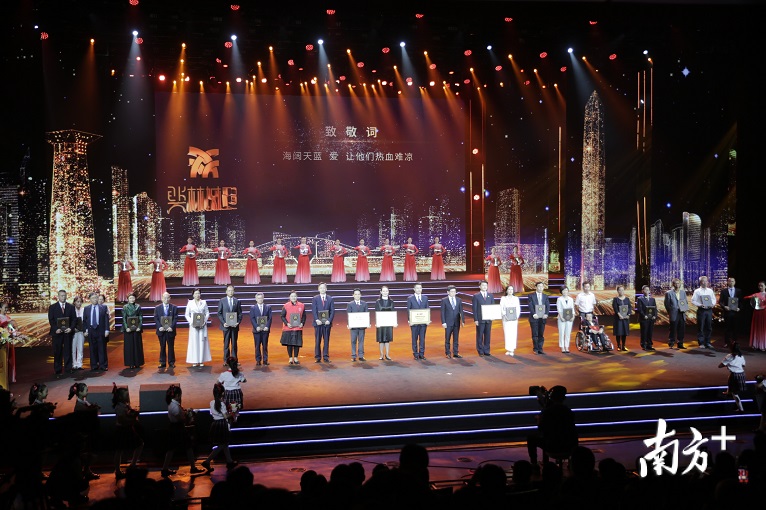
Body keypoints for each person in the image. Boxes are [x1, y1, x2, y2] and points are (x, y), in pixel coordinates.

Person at [527, 385, 578, 467]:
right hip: (569, 448)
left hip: (552, 447)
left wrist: (538, 419)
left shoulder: (547, 412)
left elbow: (541, 429)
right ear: (564, 398)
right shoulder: (568, 411)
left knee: (531, 438)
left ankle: (534, 465)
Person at [160, 385, 204, 478]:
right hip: (177, 428)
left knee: (174, 448)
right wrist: (190, 415)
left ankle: (165, 469)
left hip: (175, 427)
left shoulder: (173, 404)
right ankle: (192, 467)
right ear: (177, 395)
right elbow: (182, 419)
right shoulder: (175, 406)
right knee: (186, 447)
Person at [201, 382, 239, 473]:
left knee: (225, 444)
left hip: (216, 423)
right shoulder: (221, 404)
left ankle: (229, 461)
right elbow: (226, 416)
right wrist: (233, 412)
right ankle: (207, 461)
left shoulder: (211, 403)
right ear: (222, 393)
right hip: (222, 424)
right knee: (223, 444)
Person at [68, 382, 101, 481]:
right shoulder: (80, 406)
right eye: (86, 390)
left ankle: (86, 471)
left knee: (89, 453)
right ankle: (82, 474)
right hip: (82, 435)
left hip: (86, 433)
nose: (87, 392)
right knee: (86, 455)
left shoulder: (84, 402)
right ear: (80, 392)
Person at [111, 384, 143, 480]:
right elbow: (122, 420)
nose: (128, 396)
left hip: (126, 429)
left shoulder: (124, 405)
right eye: (126, 394)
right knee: (119, 450)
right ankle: (120, 470)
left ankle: (130, 465)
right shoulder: (119, 407)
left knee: (137, 445)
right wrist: (133, 419)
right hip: (122, 430)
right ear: (121, 397)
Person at [48, 289, 76, 377]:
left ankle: (68, 368)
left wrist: (71, 328)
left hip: (67, 333)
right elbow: (51, 320)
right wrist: (56, 329)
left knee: (68, 351)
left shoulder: (71, 307)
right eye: (62, 296)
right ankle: (58, 369)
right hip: (57, 333)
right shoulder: (52, 307)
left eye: (64, 295)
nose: (63, 297)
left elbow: (74, 319)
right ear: (58, 296)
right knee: (57, 351)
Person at [83, 292, 109, 372]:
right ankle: (94, 365)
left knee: (102, 348)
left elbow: (106, 319)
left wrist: (107, 330)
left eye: (96, 298)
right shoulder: (86, 308)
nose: (95, 299)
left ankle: (103, 365)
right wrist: (85, 330)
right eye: (93, 298)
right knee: (92, 348)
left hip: (100, 330)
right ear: (90, 299)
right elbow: (85, 321)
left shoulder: (103, 307)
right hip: (91, 330)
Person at [185, 288, 211, 367]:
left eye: (198, 293)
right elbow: (187, 315)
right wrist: (191, 322)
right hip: (194, 326)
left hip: (202, 325)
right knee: (194, 342)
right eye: (196, 293)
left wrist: (204, 321)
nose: (197, 295)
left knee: (202, 342)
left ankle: (201, 360)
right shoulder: (190, 303)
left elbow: (207, 313)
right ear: (193, 295)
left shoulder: (204, 302)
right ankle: (194, 360)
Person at [217, 285, 242, 363]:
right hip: (226, 326)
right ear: (226, 292)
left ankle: (234, 360)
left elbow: (240, 314)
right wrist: (223, 323)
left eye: (232, 290)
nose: (230, 292)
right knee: (226, 344)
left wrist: (238, 322)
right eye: (229, 290)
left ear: (234, 291)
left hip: (234, 326)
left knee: (234, 344)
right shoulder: (222, 301)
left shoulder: (237, 301)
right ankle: (226, 360)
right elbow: (219, 313)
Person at [719, 342, 746, 412]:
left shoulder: (729, 356)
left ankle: (741, 408)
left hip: (735, 375)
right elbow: (743, 365)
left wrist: (728, 365)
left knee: (735, 393)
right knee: (730, 380)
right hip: (742, 374)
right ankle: (728, 392)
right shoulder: (741, 356)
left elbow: (720, 365)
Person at [280, 291, 306, 365]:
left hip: (298, 328)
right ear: (289, 297)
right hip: (288, 328)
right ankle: (290, 358)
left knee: (297, 343)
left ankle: (296, 358)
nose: (293, 298)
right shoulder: (286, 306)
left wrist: (302, 323)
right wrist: (287, 323)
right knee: (289, 343)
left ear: (297, 297)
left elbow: (304, 316)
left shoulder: (301, 305)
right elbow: (282, 316)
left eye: (295, 296)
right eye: (292, 296)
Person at [311, 283, 335, 363]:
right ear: (318, 289)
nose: (322, 289)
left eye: (324, 288)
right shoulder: (315, 298)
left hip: (327, 323)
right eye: (321, 288)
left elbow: (332, 311)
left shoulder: (330, 299)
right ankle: (317, 357)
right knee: (318, 340)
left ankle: (326, 356)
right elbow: (314, 310)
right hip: (318, 323)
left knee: (326, 340)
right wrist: (317, 320)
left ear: (326, 289)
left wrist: (329, 320)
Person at [691, 275, 716, 348]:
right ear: (700, 282)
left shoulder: (710, 291)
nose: (705, 282)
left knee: (709, 327)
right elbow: (693, 300)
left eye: (706, 281)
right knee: (701, 327)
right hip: (701, 310)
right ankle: (701, 343)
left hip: (709, 310)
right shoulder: (697, 291)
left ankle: (707, 342)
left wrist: (712, 304)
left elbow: (714, 299)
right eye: (703, 281)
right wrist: (700, 305)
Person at [121, 293, 145, 369]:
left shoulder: (138, 306)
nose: (132, 299)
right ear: (128, 299)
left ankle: (138, 362)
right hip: (128, 329)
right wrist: (126, 328)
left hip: (136, 328)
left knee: (137, 345)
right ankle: (130, 363)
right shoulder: (125, 307)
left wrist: (139, 327)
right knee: (129, 346)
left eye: (133, 298)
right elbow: (124, 318)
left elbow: (140, 317)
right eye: (130, 298)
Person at [154, 292, 178, 369]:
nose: (166, 299)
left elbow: (175, 318)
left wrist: (171, 327)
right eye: (165, 298)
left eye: (168, 298)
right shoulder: (157, 308)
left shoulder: (174, 307)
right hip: (161, 331)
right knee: (162, 346)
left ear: (170, 298)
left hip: (170, 330)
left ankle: (171, 362)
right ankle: (162, 362)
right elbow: (156, 318)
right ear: (162, 298)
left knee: (171, 347)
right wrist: (159, 327)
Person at [407, 283, 430, 360]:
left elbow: (427, 309)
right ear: (414, 289)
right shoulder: (410, 298)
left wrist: (427, 319)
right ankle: (415, 354)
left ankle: (422, 354)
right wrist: (409, 320)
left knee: (422, 339)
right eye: (417, 288)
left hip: (423, 322)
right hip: (414, 323)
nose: (419, 289)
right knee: (414, 338)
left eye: (420, 288)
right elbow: (408, 310)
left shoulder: (425, 298)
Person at [472, 280, 496, 356]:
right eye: (483, 285)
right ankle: (480, 350)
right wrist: (476, 319)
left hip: (488, 319)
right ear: (480, 286)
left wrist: (493, 316)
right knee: (480, 335)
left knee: (487, 335)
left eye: (486, 285)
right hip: (480, 319)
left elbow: (493, 307)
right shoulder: (476, 296)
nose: (484, 287)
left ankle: (486, 350)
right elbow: (474, 308)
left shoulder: (490, 295)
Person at [664, 278, 688, 350]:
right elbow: (667, 304)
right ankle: (671, 342)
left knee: (681, 329)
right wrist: (670, 311)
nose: (677, 285)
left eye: (678, 283)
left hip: (682, 313)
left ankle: (680, 343)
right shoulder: (668, 293)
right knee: (673, 329)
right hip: (674, 313)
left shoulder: (683, 292)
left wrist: (685, 309)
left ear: (680, 284)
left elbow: (685, 302)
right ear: (673, 284)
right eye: (676, 283)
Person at [441, 285, 465, 358]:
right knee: (447, 338)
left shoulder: (459, 300)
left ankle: (456, 352)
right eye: (451, 291)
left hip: (456, 322)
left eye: (454, 291)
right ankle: (448, 353)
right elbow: (442, 312)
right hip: (448, 322)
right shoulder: (444, 300)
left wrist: (463, 321)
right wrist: (443, 322)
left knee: (456, 338)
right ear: (448, 292)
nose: (453, 293)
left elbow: (461, 311)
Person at [250, 292, 272, 366]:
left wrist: (267, 326)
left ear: (263, 298)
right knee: (257, 346)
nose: (260, 299)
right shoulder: (253, 308)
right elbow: (252, 318)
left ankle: (265, 360)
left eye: (261, 298)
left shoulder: (268, 307)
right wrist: (256, 327)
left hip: (265, 330)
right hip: (257, 330)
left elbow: (270, 318)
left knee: (265, 345)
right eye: (258, 298)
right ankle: (258, 360)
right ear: (256, 299)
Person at [719, 277, 743, 346]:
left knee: (735, 328)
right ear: (727, 282)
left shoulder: (739, 291)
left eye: (732, 281)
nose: (731, 282)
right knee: (727, 328)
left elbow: (741, 302)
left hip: (736, 312)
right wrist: (724, 307)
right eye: (730, 281)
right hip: (727, 312)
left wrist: (739, 308)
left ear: (735, 282)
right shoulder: (724, 291)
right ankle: (727, 342)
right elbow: (720, 302)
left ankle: (735, 342)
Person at [347, 289, 369, 361]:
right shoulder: (350, 304)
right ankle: (353, 356)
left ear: (360, 295)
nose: (357, 295)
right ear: (353, 295)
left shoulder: (364, 303)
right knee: (353, 341)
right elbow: (349, 315)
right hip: (353, 326)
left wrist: (367, 323)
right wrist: (349, 324)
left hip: (362, 326)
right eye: (355, 294)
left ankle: (361, 355)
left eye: (358, 294)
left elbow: (366, 314)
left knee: (361, 341)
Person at [528, 282, 550, 355]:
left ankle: (540, 348)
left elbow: (547, 306)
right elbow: (530, 305)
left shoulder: (545, 296)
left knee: (541, 333)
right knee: (535, 334)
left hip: (542, 318)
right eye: (539, 286)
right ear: (536, 287)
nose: (540, 288)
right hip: (534, 317)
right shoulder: (531, 296)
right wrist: (534, 314)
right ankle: (535, 349)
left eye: (542, 287)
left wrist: (546, 314)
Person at [500, 285, 522, 356]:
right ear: (506, 291)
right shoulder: (503, 298)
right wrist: (504, 315)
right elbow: (501, 308)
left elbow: (518, 308)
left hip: (514, 319)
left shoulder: (516, 298)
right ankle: (508, 349)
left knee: (513, 333)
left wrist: (516, 316)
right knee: (507, 333)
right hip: (506, 319)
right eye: (509, 289)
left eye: (512, 289)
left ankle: (512, 349)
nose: (510, 291)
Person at [375, 286, 395, 360]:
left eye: (386, 291)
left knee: (387, 339)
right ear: (381, 292)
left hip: (389, 323)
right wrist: (377, 322)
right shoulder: (378, 301)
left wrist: (394, 322)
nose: (385, 292)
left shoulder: (391, 301)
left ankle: (387, 354)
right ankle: (381, 355)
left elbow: (393, 312)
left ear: (388, 292)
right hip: (380, 323)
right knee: (381, 339)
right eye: (383, 291)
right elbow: (377, 312)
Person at [0, 302, 18, 382]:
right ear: (0, 308)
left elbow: (11, 328)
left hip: (9, 341)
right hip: (2, 342)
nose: (6, 309)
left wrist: (15, 332)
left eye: (7, 308)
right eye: (5, 307)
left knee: (10, 359)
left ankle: (10, 378)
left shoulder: (8, 317)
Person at [745, 281, 766, 351]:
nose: (760, 287)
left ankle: (763, 345)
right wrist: (750, 297)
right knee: (756, 328)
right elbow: (747, 297)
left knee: (763, 329)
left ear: (765, 286)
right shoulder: (756, 294)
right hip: (757, 313)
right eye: (759, 286)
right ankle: (755, 344)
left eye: (762, 285)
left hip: (764, 313)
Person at [636, 285, 657, 351]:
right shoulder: (640, 299)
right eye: (645, 290)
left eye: (648, 290)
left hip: (651, 319)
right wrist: (644, 315)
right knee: (644, 332)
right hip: (644, 319)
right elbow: (640, 309)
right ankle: (644, 344)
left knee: (650, 332)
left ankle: (649, 345)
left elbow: (655, 309)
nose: (647, 291)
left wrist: (655, 316)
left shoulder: (652, 299)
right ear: (642, 291)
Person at [611, 286, 631, 352]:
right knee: (618, 332)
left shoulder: (627, 299)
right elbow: (615, 308)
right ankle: (618, 345)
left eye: (622, 290)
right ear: (617, 291)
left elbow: (629, 307)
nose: (621, 291)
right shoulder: (615, 299)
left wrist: (628, 314)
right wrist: (619, 315)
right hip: (618, 318)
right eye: (620, 290)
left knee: (624, 332)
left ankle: (624, 345)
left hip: (625, 318)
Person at [557, 286, 575, 354]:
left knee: (568, 333)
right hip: (562, 317)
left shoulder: (571, 299)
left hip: (569, 317)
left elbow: (572, 308)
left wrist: (573, 316)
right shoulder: (559, 299)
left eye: (566, 290)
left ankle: (567, 346)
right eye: (563, 290)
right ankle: (562, 347)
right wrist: (561, 317)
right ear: (561, 292)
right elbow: (559, 309)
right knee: (561, 332)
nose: (565, 292)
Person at [71, 296, 85, 371]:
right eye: (77, 302)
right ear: (74, 302)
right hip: (74, 332)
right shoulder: (71, 310)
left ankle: (79, 364)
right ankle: (74, 364)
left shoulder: (83, 310)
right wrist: (73, 328)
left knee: (80, 348)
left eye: (80, 302)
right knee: (73, 348)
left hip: (81, 332)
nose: (79, 303)